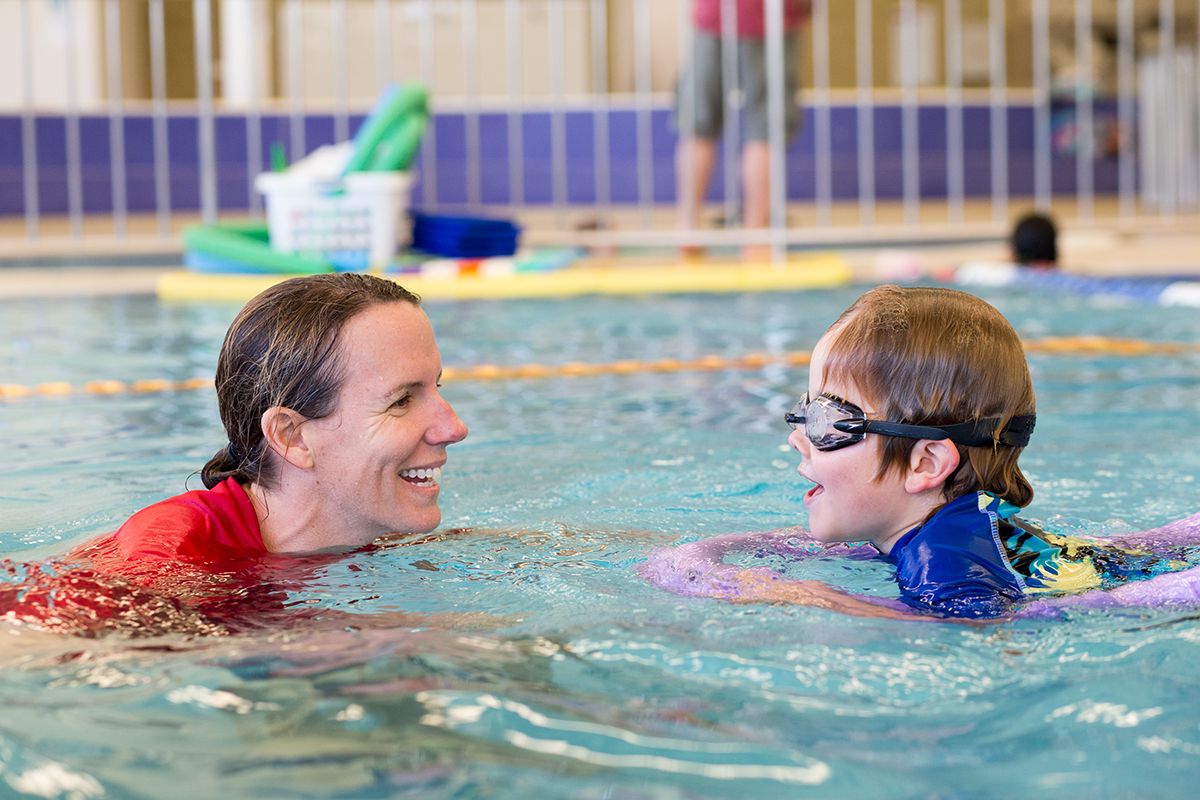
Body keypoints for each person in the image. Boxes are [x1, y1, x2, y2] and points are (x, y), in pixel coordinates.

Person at [639, 286, 1200, 619]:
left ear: (926, 464)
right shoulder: (940, 529)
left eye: (830, 420)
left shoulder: (948, 565)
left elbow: (969, 634)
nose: (797, 435)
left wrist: (815, 599)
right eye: (804, 411)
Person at [3, 273, 470, 634]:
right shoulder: (164, 567)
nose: (454, 427)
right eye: (401, 401)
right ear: (293, 437)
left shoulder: (359, 525)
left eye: (437, 387)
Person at [675, 0, 811, 259]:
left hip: (713, 14)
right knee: (765, 129)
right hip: (770, 17)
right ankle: (756, 235)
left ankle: (688, 227)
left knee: (698, 126)